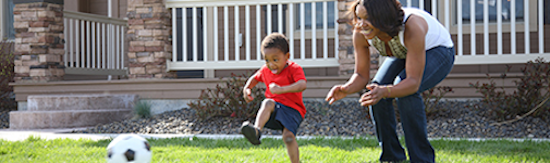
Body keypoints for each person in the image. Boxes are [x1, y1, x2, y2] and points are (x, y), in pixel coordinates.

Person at [325, 0, 455, 162]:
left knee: (405, 90)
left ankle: (422, 159)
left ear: (383, 17)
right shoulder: (360, 32)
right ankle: (391, 157)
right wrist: (346, 88)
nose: (361, 24)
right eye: (358, 17)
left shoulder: (411, 26)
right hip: (405, 53)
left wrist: (388, 91)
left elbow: (413, 82)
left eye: (367, 18)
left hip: (438, 51)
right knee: (376, 90)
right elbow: (361, 75)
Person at [240, 33, 307, 163]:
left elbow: (302, 84)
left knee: (288, 137)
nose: (271, 64)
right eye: (267, 60)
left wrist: (282, 90)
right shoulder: (266, 69)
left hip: (293, 110)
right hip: (275, 109)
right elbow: (254, 78)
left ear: (287, 57)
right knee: (268, 102)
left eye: (275, 60)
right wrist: (247, 89)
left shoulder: (294, 69)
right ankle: (256, 131)